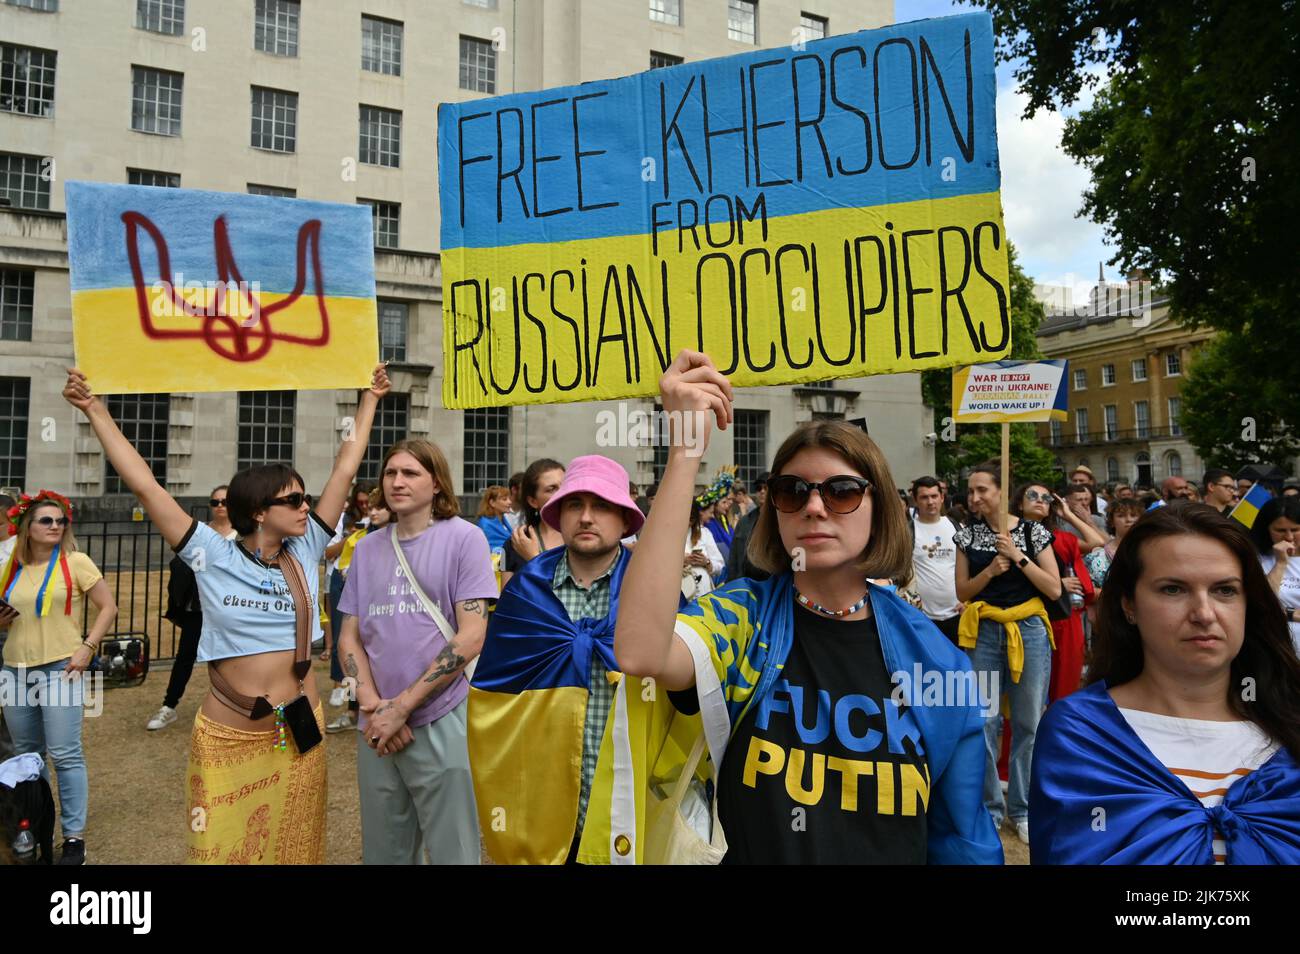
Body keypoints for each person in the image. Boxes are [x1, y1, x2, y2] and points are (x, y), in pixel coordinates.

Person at [606, 350, 1001, 865]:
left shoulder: (935, 656)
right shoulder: (742, 619)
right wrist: (685, 451)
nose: (814, 506)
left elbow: (963, 837)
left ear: (880, 505)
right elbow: (639, 651)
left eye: (841, 492)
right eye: (792, 491)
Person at [63, 363, 389, 864]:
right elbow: (147, 486)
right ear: (258, 511)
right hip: (231, 733)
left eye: (306, 498)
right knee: (224, 853)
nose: (308, 507)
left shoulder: (306, 549)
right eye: (294, 499)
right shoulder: (210, 553)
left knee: (296, 851)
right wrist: (94, 409)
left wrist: (369, 399)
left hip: (303, 730)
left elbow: (346, 468)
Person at [1029, 505, 1300, 864]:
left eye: (1224, 591)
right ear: (1129, 605)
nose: (1204, 613)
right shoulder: (1081, 733)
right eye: (1173, 589)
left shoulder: (1291, 723)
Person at [467, 455, 645, 864]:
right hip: (546, 791)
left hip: (629, 793)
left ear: (624, 519)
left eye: (601, 506)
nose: (586, 517)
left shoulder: (650, 588)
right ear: (557, 516)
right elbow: (496, 694)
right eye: (574, 505)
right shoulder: (526, 592)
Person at [336, 439, 498, 865]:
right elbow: (348, 637)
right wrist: (372, 707)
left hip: (442, 715)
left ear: (437, 485)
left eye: (410, 473)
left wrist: (402, 707)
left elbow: (471, 636)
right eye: (390, 473)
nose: (397, 482)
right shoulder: (368, 547)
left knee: (453, 851)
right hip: (376, 724)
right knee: (384, 851)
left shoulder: (466, 539)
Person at [0, 490, 117, 865]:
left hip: (62, 669)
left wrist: (88, 647)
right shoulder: (10, 568)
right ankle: (35, 828)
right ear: (27, 528)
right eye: (45, 520)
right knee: (27, 758)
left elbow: (108, 607)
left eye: (59, 520)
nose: (55, 526)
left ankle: (73, 839)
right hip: (14, 670)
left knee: (65, 755)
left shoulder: (76, 561)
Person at [953, 461, 1062, 843]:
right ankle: (990, 808)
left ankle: (1023, 808)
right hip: (983, 632)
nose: (975, 497)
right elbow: (962, 592)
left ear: (1001, 491)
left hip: (1028, 632)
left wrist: (1018, 556)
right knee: (984, 721)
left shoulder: (1034, 532)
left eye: (982, 489)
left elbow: (1054, 590)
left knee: (1029, 722)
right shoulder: (965, 535)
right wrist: (990, 573)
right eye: (971, 491)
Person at [147, 485, 236, 732]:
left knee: (229, 658)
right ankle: (169, 705)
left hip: (229, 607)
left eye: (225, 501)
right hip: (198, 606)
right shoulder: (200, 533)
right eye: (215, 502)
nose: (220, 506)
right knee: (185, 656)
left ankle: (230, 707)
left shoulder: (242, 534)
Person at [1015, 484, 1101, 701]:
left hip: (1063, 617)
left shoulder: (1061, 538)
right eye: (1032, 495)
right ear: (1019, 503)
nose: (1040, 500)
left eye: (1046, 498)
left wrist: (1069, 515)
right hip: (1024, 616)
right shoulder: (1007, 538)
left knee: (1064, 689)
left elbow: (1096, 542)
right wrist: (1056, 582)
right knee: (1025, 695)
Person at [324, 493, 390, 734]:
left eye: (379, 508)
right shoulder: (362, 538)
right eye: (371, 508)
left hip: (385, 611)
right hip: (361, 608)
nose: (373, 513)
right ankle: (351, 711)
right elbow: (344, 565)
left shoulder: (398, 538)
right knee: (353, 661)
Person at [908, 476, 963, 644]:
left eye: (934, 496)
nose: (930, 502)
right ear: (916, 501)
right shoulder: (908, 531)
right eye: (924, 497)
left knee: (961, 667)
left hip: (958, 614)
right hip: (924, 617)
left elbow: (969, 566)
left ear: (942, 498)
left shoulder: (956, 526)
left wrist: (968, 600)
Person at [502, 459, 566, 587]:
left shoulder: (583, 537)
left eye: (565, 485)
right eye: (552, 489)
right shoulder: (516, 543)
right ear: (533, 501)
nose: (562, 493)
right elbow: (507, 600)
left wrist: (534, 559)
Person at [1250, 496, 1300, 653]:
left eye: (1295, 530)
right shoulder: (1256, 558)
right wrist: (1281, 563)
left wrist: (1282, 612)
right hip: (1275, 648)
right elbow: (1259, 604)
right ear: (1266, 529)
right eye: (1280, 531)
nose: (1289, 537)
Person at [724, 471, 770, 582]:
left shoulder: (782, 520)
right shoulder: (745, 521)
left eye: (766, 487)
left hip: (772, 585)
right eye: (759, 488)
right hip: (745, 583)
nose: (762, 491)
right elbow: (733, 558)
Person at [681, 500, 725, 601]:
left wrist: (706, 562)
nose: (688, 522)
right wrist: (681, 561)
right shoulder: (667, 534)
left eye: (691, 519)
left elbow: (720, 564)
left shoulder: (704, 533)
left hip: (702, 589)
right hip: (679, 591)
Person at [475, 485, 513, 553]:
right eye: (504, 499)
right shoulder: (485, 524)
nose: (509, 502)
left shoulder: (504, 521)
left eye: (509, 499)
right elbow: (490, 550)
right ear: (492, 503)